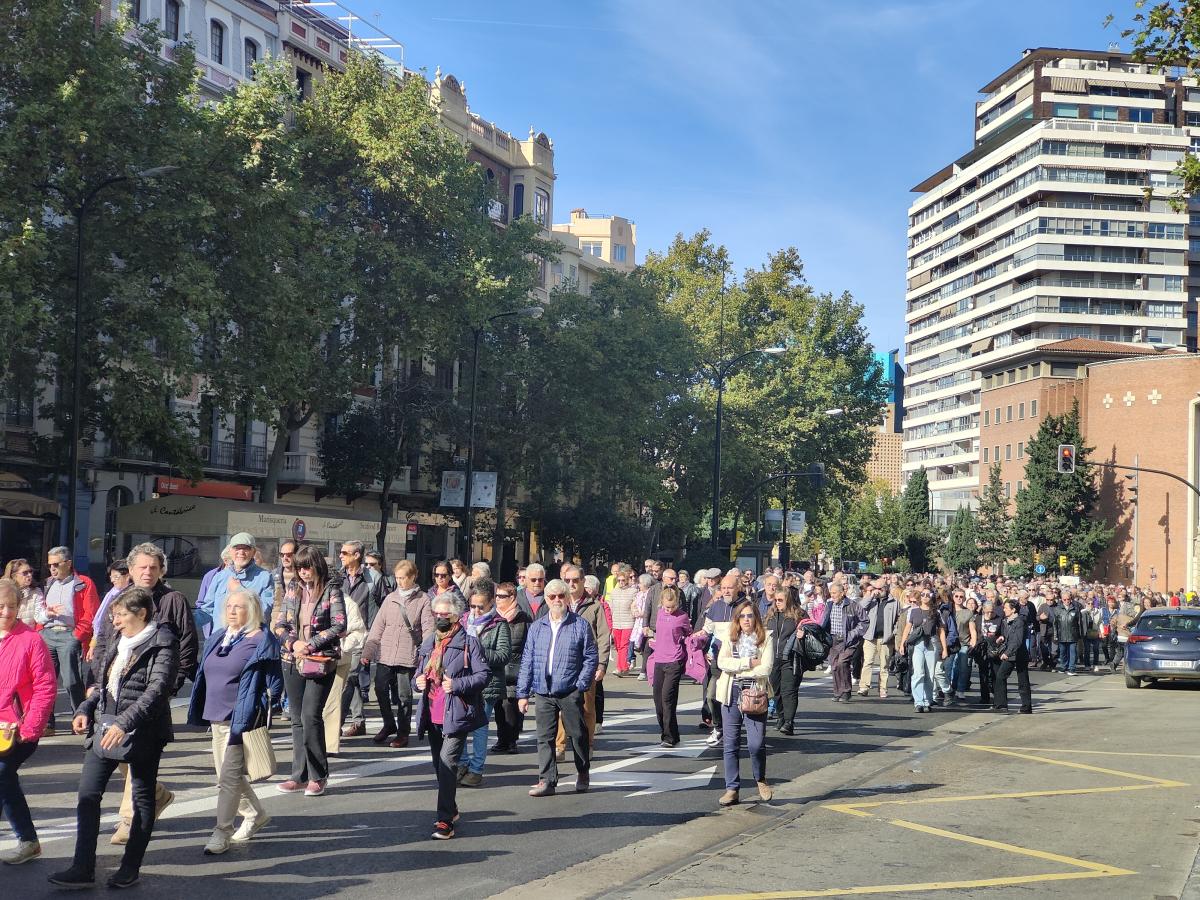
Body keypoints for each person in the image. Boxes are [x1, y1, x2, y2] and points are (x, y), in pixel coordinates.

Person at [51, 587, 179, 890]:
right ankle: (82, 867)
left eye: (121, 615)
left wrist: (124, 722)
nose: (116, 620)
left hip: (144, 732)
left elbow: (157, 690)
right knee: (87, 794)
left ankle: (130, 867)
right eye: (114, 615)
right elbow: (103, 685)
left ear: (141, 614)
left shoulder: (163, 642)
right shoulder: (120, 641)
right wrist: (85, 708)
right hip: (105, 728)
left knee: (143, 797)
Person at [105, 544, 198, 846]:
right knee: (118, 752)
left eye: (153, 568)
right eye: (142, 567)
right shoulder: (121, 600)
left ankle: (128, 820)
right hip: (119, 690)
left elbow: (186, 645)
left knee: (136, 750)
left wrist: (171, 686)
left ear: (162, 571)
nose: (148, 572)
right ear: (130, 571)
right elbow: (105, 639)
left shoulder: (174, 600)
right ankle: (158, 794)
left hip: (154, 692)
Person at [186, 587, 282, 855]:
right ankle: (255, 814)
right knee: (226, 776)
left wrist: (265, 707)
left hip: (241, 719)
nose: (232, 611)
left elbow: (275, 684)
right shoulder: (220, 637)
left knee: (228, 778)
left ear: (251, 610)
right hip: (215, 717)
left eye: (238, 607)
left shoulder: (262, 640)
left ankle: (221, 831)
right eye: (229, 606)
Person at [414, 592, 489, 840]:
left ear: (456, 616)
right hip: (432, 712)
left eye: (445, 614)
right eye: (436, 614)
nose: (440, 618)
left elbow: (482, 676)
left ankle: (445, 821)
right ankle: (452, 807)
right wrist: (419, 682)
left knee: (447, 765)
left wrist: (456, 685)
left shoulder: (469, 642)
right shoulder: (429, 642)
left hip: (457, 713)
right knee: (439, 765)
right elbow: (417, 673)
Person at [273, 545, 347, 797]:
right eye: (299, 568)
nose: (303, 572)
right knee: (296, 719)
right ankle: (299, 775)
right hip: (291, 658)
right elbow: (280, 623)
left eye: (307, 567)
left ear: (317, 565)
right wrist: (293, 644)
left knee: (310, 716)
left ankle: (319, 775)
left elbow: (339, 625)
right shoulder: (292, 588)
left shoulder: (331, 589)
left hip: (319, 659)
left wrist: (311, 644)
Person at [517, 578, 598, 797]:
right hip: (543, 690)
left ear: (567, 597)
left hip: (569, 689)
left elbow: (591, 657)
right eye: (552, 596)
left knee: (577, 734)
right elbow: (528, 660)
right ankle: (547, 780)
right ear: (546, 599)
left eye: (561, 596)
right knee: (544, 737)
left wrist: (581, 684)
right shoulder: (537, 627)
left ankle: (583, 772)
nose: (556, 600)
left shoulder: (579, 625)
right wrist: (522, 693)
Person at [0, 577, 56, 865]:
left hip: (18, 730)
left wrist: (29, 728)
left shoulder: (31, 640)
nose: (6, 613)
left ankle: (27, 839)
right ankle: (29, 841)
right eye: (0, 607)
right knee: (4, 779)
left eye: (11, 606)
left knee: (1, 773)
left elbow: (45, 687)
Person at [361, 559, 434, 749]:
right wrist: (368, 650)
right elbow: (378, 626)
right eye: (397, 578)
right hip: (385, 653)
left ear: (413, 577)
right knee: (380, 689)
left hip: (407, 655)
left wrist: (427, 656)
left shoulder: (423, 600)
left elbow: (428, 630)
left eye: (403, 578)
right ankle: (388, 723)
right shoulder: (390, 598)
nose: (399, 582)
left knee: (403, 696)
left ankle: (402, 732)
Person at [716, 600, 774, 806]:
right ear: (737, 619)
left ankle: (760, 779)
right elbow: (722, 663)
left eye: (750, 616)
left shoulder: (765, 638)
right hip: (730, 693)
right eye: (743, 616)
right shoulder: (730, 638)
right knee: (730, 744)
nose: (746, 620)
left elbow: (765, 668)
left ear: (756, 618)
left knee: (755, 744)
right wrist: (748, 663)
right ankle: (732, 788)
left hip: (755, 694)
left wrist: (737, 668)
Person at [39, 546, 99, 736]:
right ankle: (47, 722)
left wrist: (78, 635)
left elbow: (91, 613)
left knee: (71, 681)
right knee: (46, 681)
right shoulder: (48, 583)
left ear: (68, 563)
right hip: (47, 634)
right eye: (50, 565)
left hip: (69, 635)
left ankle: (79, 717)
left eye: (56, 564)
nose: (52, 569)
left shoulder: (83, 583)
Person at [555, 565, 610, 762]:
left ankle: (588, 745)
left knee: (587, 708)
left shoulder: (594, 606)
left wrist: (602, 664)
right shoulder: (558, 603)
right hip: (562, 665)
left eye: (575, 580)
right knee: (561, 707)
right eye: (568, 580)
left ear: (582, 581)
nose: (571, 584)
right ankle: (560, 747)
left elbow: (604, 636)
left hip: (587, 665)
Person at [458, 579, 510, 786]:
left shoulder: (499, 624)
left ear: (491, 604)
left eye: (481, 607)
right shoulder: (462, 621)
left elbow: (503, 655)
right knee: (459, 725)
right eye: (473, 606)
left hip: (487, 684)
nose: (476, 611)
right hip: (462, 682)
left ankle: (476, 769)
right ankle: (462, 763)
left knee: (479, 727)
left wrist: (477, 650)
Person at [337, 540, 381, 740]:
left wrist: (372, 639)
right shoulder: (338, 577)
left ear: (357, 555)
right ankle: (359, 721)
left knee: (349, 677)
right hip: (339, 636)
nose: (341, 556)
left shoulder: (373, 579)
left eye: (345, 553)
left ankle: (335, 724)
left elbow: (381, 609)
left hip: (361, 636)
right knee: (350, 679)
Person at [195, 533, 273, 638]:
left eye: (246, 548)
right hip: (219, 641)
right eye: (237, 548)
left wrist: (240, 590)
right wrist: (187, 620)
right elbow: (207, 611)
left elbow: (264, 613)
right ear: (230, 551)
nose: (241, 552)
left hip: (246, 642)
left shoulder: (265, 577)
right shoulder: (219, 577)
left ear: (253, 552)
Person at [647, 586, 692, 747]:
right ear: (662, 603)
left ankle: (669, 737)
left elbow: (688, 633)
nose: (670, 610)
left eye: (673, 607)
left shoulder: (682, 617)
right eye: (667, 607)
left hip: (674, 660)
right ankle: (671, 732)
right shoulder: (659, 614)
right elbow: (657, 632)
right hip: (659, 659)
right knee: (658, 700)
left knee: (668, 699)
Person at [698, 574, 738, 745]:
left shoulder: (746, 607)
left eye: (730, 587)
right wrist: (695, 641)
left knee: (736, 699)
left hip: (738, 662)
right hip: (717, 660)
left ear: (738, 588)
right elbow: (706, 631)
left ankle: (735, 728)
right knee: (711, 696)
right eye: (724, 588)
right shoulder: (715, 607)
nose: (726, 591)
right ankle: (719, 727)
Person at [491, 582, 529, 754]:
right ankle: (501, 740)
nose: (498, 599)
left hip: (516, 669)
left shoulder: (523, 618)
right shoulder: (492, 618)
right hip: (497, 668)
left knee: (510, 706)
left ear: (512, 597)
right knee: (498, 706)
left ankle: (512, 740)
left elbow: (529, 646)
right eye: (496, 596)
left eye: (502, 596)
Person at [899, 591, 947, 713]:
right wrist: (902, 644)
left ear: (932, 598)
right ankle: (918, 701)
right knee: (918, 673)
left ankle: (927, 701)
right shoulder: (914, 611)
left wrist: (944, 648)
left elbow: (941, 631)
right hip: (918, 643)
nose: (925, 597)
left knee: (930, 674)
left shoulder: (936, 612)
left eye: (928, 595)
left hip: (932, 642)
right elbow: (908, 628)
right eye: (923, 595)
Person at [87, 561, 131, 685]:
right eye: (111, 576)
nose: (112, 580)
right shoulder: (112, 593)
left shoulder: (127, 597)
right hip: (103, 642)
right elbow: (100, 622)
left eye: (116, 577)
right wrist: (93, 644)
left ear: (128, 576)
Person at [821, 582, 866, 702]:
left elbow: (864, 622)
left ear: (842, 593)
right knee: (835, 666)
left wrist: (853, 634)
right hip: (833, 640)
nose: (832, 595)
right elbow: (824, 621)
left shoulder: (853, 605)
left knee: (842, 663)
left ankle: (846, 691)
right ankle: (837, 692)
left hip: (848, 641)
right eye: (831, 593)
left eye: (835, 593)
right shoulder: (829, 604)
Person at [765, 589, 799, 731]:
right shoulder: (770, 615)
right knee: (775, 690)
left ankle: (789, 722)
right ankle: (781, 717)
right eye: (776, 600)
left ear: (788, 600)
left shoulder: (798, 615)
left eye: (781, 600)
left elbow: (812, 629)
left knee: (788, 690)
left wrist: (803, 634)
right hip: (773, 658)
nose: (777, 603)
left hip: (791, 658)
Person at [856, 579, 897, 699]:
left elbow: (898, 619)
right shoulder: (871, 600)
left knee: (884, 665)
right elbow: (860, 609)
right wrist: (870, 596)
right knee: (867, 662)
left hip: (885, 638)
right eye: (876, 589)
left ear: (886, 588)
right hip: (870, 637)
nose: (879, 591)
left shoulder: (894, 602)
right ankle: (864, 687)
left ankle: (883, 688)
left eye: (881, 589)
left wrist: (893, 633)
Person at [992, 599, 1032, 714]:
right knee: (1000, 676)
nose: (1003, 609)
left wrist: (1007, 653)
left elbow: (1017, 641)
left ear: (1013, 610)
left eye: (1006, 608)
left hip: (1018, 654)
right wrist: (1002, 637)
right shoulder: (1006, 621)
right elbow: (1009, 636)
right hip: (1011, 653)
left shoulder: (1019, 622)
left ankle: (1026, 707)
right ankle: (1001, 704)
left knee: (1023, 680)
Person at [607, 564, 637, 675]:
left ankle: (621, 667)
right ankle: (623, 667)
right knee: (618, 646)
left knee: (624, 645)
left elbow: (635, 606)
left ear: (628, 580)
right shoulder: (614, 592)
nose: (621, 582)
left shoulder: (633, 591)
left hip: (628, 622)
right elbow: (610, 607)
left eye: (623, 580)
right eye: (619, 580)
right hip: (616, 622)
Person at [4, 559, 44, 628]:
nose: (29, 575)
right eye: (25, 573)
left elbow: (39, 617)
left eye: (30, 571)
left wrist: (47, 614)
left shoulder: (36, 591)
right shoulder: (4, 591)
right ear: (14, 576)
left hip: (27, 634)